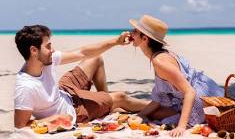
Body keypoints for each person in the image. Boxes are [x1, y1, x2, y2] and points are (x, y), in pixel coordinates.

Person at [14, 25, 148, 128]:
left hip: (64, 91)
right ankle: (156, 105)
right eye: (48, 46)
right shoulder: (25, 87)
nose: (53, 50)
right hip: (74, 110)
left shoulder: (47, 59)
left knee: (95, 58)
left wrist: (116, 41)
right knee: (121, 97)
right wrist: (54, 119)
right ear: (33, 50)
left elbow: (83, 52)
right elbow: (20, 125)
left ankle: (106, 105)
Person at [127, 15, 224, 137]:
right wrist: (140, 115)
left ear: (145, 39)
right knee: (149, 113)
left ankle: (182, 118)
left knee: (154, 114)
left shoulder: (160, 62)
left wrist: (181, 126)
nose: (131, 33)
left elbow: (190, 92)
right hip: (202, 93)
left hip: (198, 100)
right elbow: (159, 98)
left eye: (135, 31)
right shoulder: (162, 54)